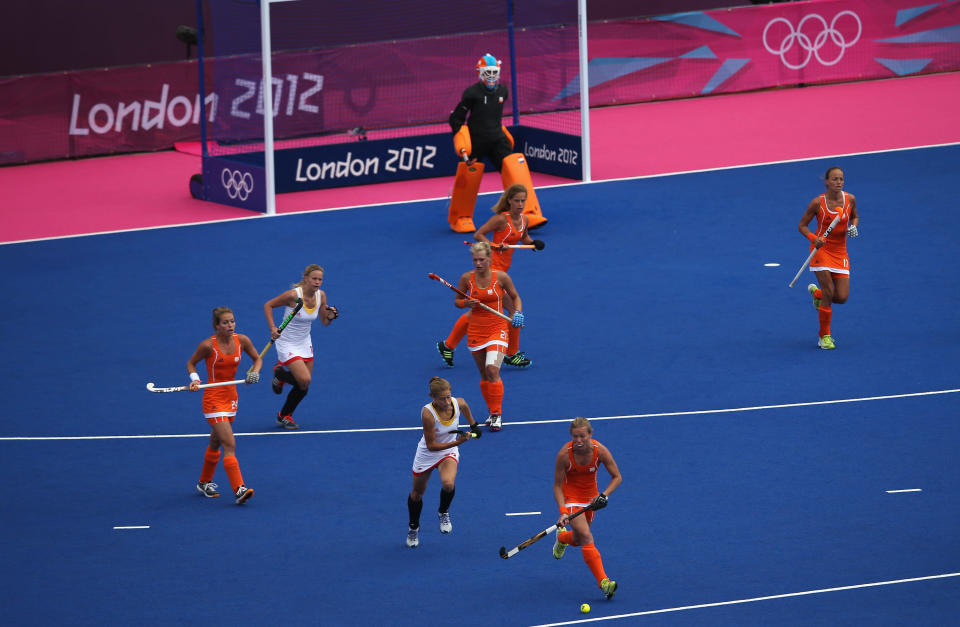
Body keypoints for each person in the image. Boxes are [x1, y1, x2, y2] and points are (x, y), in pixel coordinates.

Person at [437, 183, 543, 369]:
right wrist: (493, 245)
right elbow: (479, 234)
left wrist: (533, 243)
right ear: (509, 201)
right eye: (516, 200)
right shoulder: (501, 220)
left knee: (476, 311)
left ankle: (448, 345)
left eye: (522, 201)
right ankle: (512, 353)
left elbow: (524, 238)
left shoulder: (524, 220)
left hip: (503, 271)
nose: (520, 204)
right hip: (491, 270)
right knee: (513, 311)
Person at [446, 53, 548, 233]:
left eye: (495, 72)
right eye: (488, 72)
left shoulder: (503, 91)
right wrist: (462, 141)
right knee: (469, 175)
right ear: (480, 72)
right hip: (476, 141)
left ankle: (527, 212)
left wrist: (502, 133)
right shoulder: (472, 93)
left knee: (515, 168)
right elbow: (456, 119)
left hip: (497, 139)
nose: (491, 76)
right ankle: (460, 217)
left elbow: (493, 117)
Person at [187, 307, 262, 505]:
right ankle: (239, 489)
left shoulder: (242, 341)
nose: (230, 325)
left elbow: (257, 359)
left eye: (232, 321)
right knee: (229, 443)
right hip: (213, 399)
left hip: (231, 398)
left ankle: (204, 482)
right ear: (216, 326)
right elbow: (191, 364)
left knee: (216, 442)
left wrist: (254, 373)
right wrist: (195, 380)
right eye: (225, 323)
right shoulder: (207, 346)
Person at [454, 241, 524, 431]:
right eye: (475, 260)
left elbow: (516, 297)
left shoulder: (501, 277)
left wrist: (517, 312)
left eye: (482, 259)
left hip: (498, 328)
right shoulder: (466, 278)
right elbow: (457, 301)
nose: (478, 263)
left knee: (492, 370)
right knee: (484, 374)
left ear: (489, 259)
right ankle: (492, 410)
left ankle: (496, 415)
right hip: (476, 330)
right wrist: (466, 304)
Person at [406, 376, 482, 548]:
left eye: (449, 396)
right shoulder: (427, 414)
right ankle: (414, 528)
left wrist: (474, 425)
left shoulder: (457, 402)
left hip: (448, 451)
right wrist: (458, 442)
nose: (448, 402)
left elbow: (464, 406)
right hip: (427, 453)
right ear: (433, 398)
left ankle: (443, 511)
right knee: (417, 494)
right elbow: (432, 446)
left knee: (448, 484)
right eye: (443, 398)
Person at [552, 417, 623, 599]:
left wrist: (603, 495)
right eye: (575, 437)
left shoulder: (600, 451)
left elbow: (617, 477)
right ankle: (604, 583)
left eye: (582, 436)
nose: (579, 441)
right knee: (586, 536)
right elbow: (557, 486)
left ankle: (563, 538)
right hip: (571, 498)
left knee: (577, 539)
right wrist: (563, 512)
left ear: (590, 434)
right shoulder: (564, 454)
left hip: (591, 501)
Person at [263, 264, 338, 429]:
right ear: (306, 279)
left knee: (304, 385)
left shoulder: (321, 296)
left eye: (320, 279)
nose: (318, 282)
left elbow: (325, 322)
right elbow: (268, 305)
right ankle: (280, 373)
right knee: (304, 379)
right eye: (314, 279)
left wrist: (331, 316)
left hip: (304, 342)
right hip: (287, 342)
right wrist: (273, 328)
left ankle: (284, 416)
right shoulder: (292, 296)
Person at [798, 166, 859, 350]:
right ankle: (824, 336)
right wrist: (814, 239)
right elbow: (802, 226)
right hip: (821, 250)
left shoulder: (850, 199)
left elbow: (854, 217)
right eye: (834, 179)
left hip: (840, 252)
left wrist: (854, 227)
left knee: (841, 297)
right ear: (826, 182)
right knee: (829, 290)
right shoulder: (818, 203)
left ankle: (817, 295)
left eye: (841, 179)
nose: (838, 182)